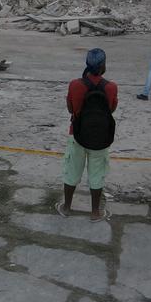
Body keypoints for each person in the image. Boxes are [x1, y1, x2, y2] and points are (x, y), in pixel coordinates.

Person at [56, 48, 117, 221]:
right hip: (101, 137)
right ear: (103, 65)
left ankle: (67, 207)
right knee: (97, 173)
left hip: (77, 135)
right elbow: (111, 109)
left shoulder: (75, 85)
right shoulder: (111, 87)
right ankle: (95, 212)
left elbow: (70, 108)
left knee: (72, 170)